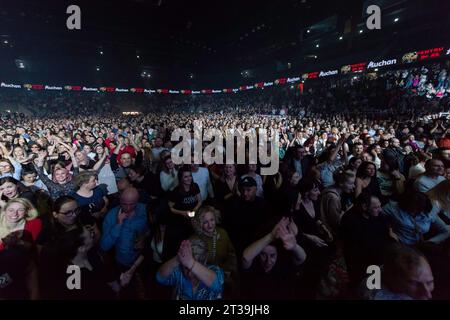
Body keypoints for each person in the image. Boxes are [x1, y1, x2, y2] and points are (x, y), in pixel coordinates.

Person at [241, 217, 306, 299]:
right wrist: (271, 236)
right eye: (263, 255)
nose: (268, 262)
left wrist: (295, 247)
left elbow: (302, 258)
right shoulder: (254, 263)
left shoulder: (284, 263)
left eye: (272, 256)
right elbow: (245, 258)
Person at [339, 193, 395, 288]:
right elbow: (358, 247)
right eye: (376, 207)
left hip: (378, 258)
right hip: (362, 263)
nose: (380, 210)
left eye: (380, 206)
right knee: (369, 289)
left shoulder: (377, 214)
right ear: (364, 207)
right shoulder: (350, 220)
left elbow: (385, 229)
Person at [191, 205, 238, 296]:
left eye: (212, 220)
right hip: (203, 283)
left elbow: (231, 255)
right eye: (205, 222)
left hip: (224, 279)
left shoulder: (223, 233)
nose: (210, 225)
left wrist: (227, 272)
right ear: (200, 224)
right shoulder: (194, 240)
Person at [156, 239, 224, 300]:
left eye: (193, 269)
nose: (189, 274)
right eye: (186, 268)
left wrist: (191, 263)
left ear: (204, 262)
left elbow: (218, 285)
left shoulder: (215, 270)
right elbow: (160, 277)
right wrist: (179, 257)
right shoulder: (179, 273)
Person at [362, 244, 434, 300]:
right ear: (391, 278)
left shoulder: (397, 271)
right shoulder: (374, 296)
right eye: (414, 283)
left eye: (429, 282)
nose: (428, 295)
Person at [382, 190, 450, 245]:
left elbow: (446, 230)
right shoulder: (394, 208)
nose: (415, 212)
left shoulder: (428, 212)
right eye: (412, 209)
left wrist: (429, 243)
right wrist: (389, 230)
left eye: (419, 210)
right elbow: (378, 216)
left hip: (420, 244)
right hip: (400, 243)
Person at [223, 176, 270, 255]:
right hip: (239, 245)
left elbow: (266, 227)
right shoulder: (234, 205)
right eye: (243, 190)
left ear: (255, 189)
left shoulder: (263, 205)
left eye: (248, 190)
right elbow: (230, 228)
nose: (245, 193)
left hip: (258, 244)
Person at [166, 165, 202, 257]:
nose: (189, 178)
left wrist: (193, 211)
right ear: (181, 179)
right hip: (181, 220)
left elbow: (200, 201)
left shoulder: (195, 186)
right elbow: (170, 207)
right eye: (186, 176)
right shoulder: (176, 191)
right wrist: (183, 213)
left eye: (190, 176)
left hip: (193, 216)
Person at [320, 169, 356, 237]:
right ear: (341, 183)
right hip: (330, 233)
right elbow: (336, 222)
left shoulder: (332, 190)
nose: (353, 186)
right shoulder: (333, 197)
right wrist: (348, 210)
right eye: (350, 183)